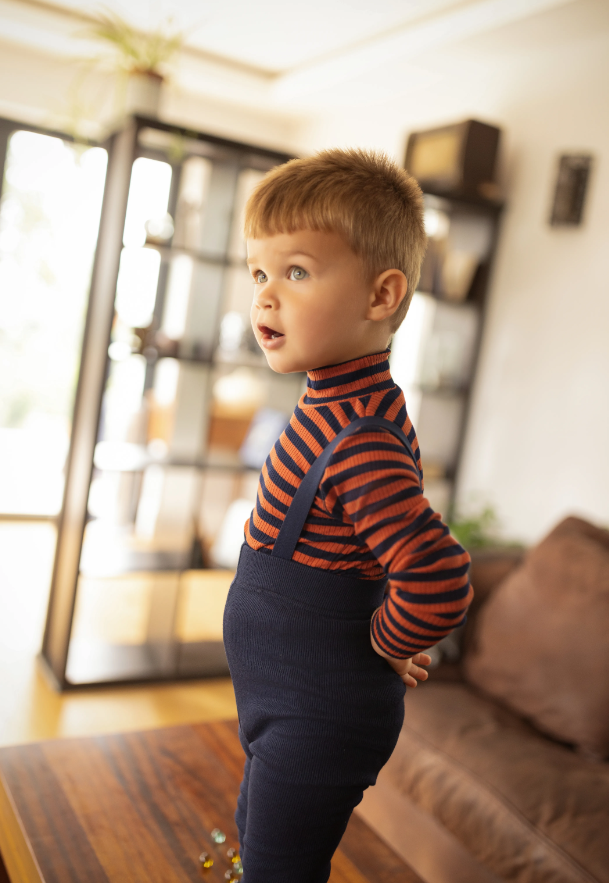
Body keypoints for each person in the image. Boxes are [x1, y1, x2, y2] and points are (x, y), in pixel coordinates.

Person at [222, 148, 473, 882]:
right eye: (258, 273)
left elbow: (436, 575)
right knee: (255, 836)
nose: (265, 296)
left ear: (379, 295)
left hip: (318, 717)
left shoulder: (357, 437)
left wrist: (384, 642)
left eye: (295, 271)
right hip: (281, 702)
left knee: (279, 866)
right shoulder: (331, 401)